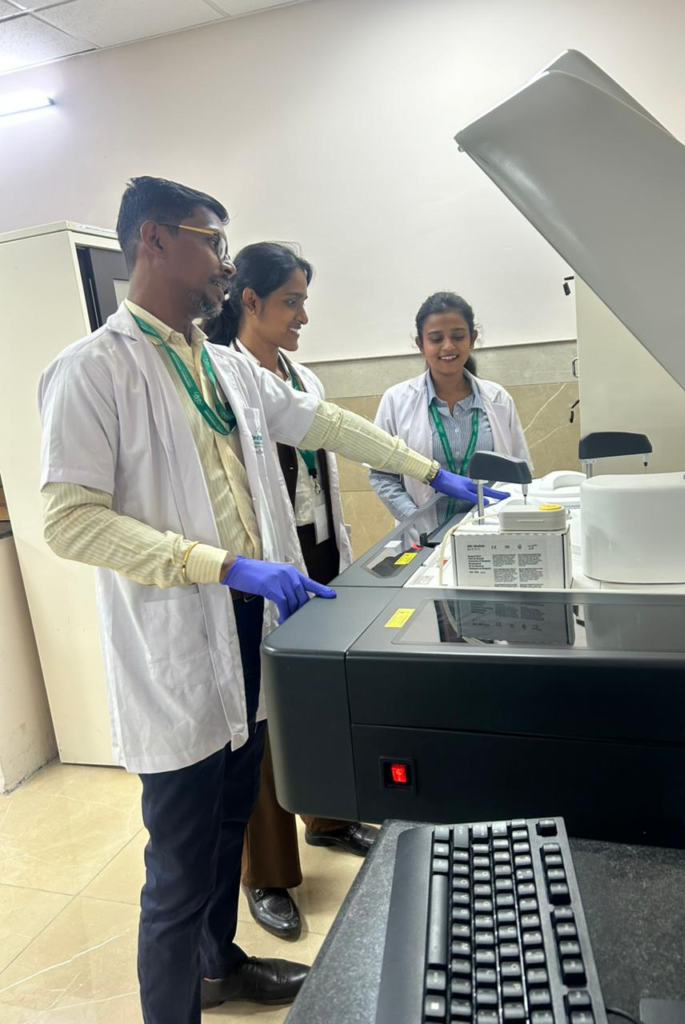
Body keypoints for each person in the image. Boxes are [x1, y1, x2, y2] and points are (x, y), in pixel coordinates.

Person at [38, 177, 506, 1024]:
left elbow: (325, 424)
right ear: (153, 241)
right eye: (211, 242)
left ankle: (219, 965)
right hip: (181, 643)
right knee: (178, 868)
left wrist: (431, 470)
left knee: (228, 829)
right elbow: (71, 522)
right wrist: (221, 565)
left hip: (251, 636)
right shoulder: (92, 370)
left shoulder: (224, 367)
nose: (225, 263)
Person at [205, 241, 377, 942]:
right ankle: (268, 875)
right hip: (259, 569)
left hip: (317, 551)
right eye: (291, 301)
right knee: (261, 720)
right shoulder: (224, 377)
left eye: (304, 301)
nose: (303, 315)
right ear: (250, 300)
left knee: (317, 697)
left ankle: (328, 817)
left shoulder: (301, 376)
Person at [370, 292, 531, 543]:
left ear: (472, 339)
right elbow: (382, 475)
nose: (448, 346)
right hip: (425, 538)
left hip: (491, 535)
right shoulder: (395, 401)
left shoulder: (498, 399)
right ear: (420, 344)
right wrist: (415, 519)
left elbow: (519, 471)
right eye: (436, 339)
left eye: (458, 337)